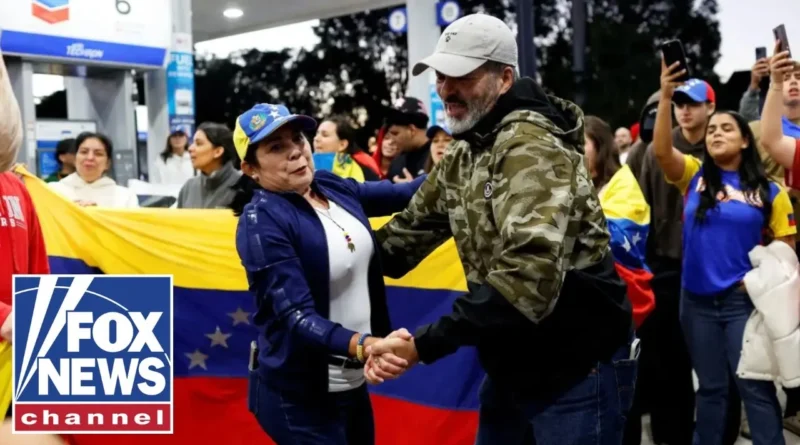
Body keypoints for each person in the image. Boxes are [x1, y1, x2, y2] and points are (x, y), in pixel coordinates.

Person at [363, 13, 636, 444]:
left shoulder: (532, 146)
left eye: (462, 76)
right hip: (512, 362)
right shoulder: (465, 150)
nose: (446, 88)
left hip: (577, 367)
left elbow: (526, 281)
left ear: (504, 78)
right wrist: (320, 245)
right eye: (440, 75)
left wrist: (423, 345)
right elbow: (401, 242)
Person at [231, 103, 426, 445]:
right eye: (276, 147)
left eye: (297, 138)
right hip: (299, 395)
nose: (295, 151)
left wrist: (463, 159)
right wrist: (367, 345)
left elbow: (405, 194)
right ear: (251, 168)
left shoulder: (330, 186)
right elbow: (296, 315)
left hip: (350, 382)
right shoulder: (261, 222)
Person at [655, 56, 793, 445]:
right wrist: (666, 97)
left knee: (755, 390)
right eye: (711, 129)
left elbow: (785, 253)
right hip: (694, 303)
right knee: (712, 392)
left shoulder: (770, 191)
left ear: (745, 139)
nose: (715, 133)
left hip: (741, 306)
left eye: (726, 129)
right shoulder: (693, 176)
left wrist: (752, 287)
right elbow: (662, 151)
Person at [49, 132, 139, 208]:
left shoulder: (125, 196)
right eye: (84, 152)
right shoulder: (53, 191)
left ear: (107, 163)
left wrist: (97, 214)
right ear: (75, 159)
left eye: (98, 154)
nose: (90, 157)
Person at [177, 122, 241, 209]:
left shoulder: (243, 187)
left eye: (199, 144)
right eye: (192, 143)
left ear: (218, 151)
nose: (190, 148)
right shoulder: (189, 187)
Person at [313, 116, 381, 181]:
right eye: (317, 134)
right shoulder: (306, 165)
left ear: (342, 145)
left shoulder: (365, 173)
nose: (316, 138)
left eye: (325, 135)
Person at [383, 97, 431, 182]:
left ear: (412, 130)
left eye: (395, 133)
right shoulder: (396, 164)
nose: (392, 140)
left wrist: (413, 190)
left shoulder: (441, 156)